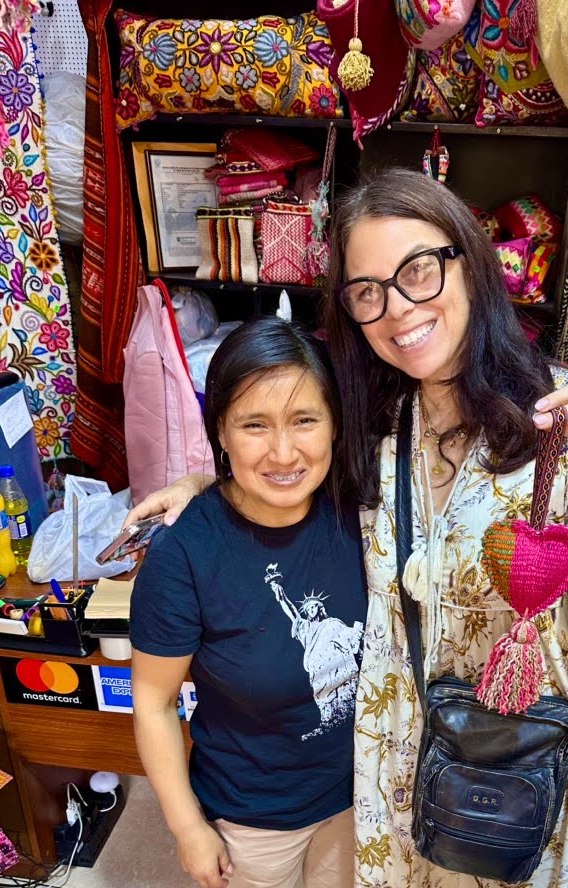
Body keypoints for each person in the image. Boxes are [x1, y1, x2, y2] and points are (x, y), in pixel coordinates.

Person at [127, 168, 568, 888]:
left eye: (418, 271)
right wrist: (208, 484)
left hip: (530, 773)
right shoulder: (378, 427)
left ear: (470, 264)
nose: (399, 309)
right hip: (400, 775)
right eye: (369, 291)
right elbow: (288, 457)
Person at [130, 317, 366, 888]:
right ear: (220, 433)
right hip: (252, 817)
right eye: (254, 425)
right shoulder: (185, 551)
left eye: (304, 420)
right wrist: (188, 827)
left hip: (362, 789)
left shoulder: (359, 509)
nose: (284, 452)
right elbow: (154, 705)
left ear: (335, 425)